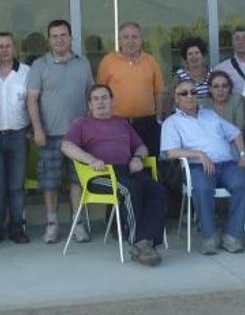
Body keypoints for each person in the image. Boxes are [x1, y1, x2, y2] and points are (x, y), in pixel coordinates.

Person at [61, 84, 168, 267]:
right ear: (90, 104)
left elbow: (142, 147)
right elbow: (66, 147)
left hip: (127, 170)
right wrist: (90, 159)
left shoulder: (122, 123)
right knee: (130, 190)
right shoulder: (82, 124)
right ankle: (137, 243)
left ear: (112, 101)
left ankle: (147, 239)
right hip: (99, 175)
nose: (100, 102)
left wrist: (137, 157)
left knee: (158, 191)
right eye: (96, 99)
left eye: (104, 98)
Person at [161, 79, 245, 255]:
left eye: (193, 92)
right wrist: (199, 154)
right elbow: (170, 152)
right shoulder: (172, 122)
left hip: (226, 164)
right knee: (202, 188)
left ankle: (232, 235)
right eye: (184, 93)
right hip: (198, 166)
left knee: (242, 183)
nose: (189, 96)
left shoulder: (210, 115)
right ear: (176, 98)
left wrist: (242, 155)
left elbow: (235, 133)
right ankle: (209, 235)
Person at [27, 19, 95, 244]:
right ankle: (52, 224)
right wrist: (37, 129)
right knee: (50, 182)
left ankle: (78, 224)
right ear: (49, 40)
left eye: (63, 35)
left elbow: (90, 97)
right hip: (50, 135)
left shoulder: (82, 63)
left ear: (71, 37)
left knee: (77, 181)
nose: (59, 39)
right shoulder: (40, 65)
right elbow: (32, 99)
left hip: (78, 136)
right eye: (54, 36)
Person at [0, 32, 32, 246]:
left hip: (18, 136)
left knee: (16, 187)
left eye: (8, 46)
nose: (4, 50)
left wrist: (33, 127)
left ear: (15, 48)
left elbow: (33, 103)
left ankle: (17, 229)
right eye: (0, 46)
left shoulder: (27, 72)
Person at [97, 22, 165, 154]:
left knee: (149, 162)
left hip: (147, 123)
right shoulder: (108, 61)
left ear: (141, 40)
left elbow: (158, 93)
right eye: (126, 37)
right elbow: (100, 94)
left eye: (135, 37)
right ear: (119, 41)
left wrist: (158, 120)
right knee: (120, 161)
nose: (130, 41)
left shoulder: (151, 61)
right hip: (116, 123)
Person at [213, 26, 245, 94]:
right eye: (237, 39)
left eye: (244, 38)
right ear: (232, 42)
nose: (240, 42)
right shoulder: (222, 69)